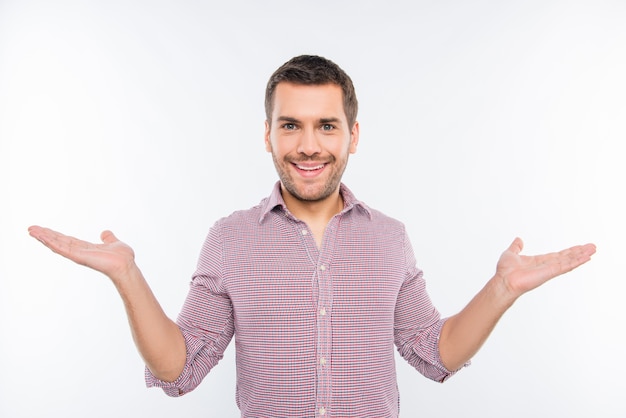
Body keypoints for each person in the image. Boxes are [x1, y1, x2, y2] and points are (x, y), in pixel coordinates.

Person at [28, 55, 596, 417]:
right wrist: (127, 276)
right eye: (290, 125)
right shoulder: (230, 238)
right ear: (268, 136)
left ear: (352, 135)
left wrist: (503, 289)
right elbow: (182, 367)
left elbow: (433, 353)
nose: (308, 145)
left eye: (326, 126)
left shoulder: (391, 238)